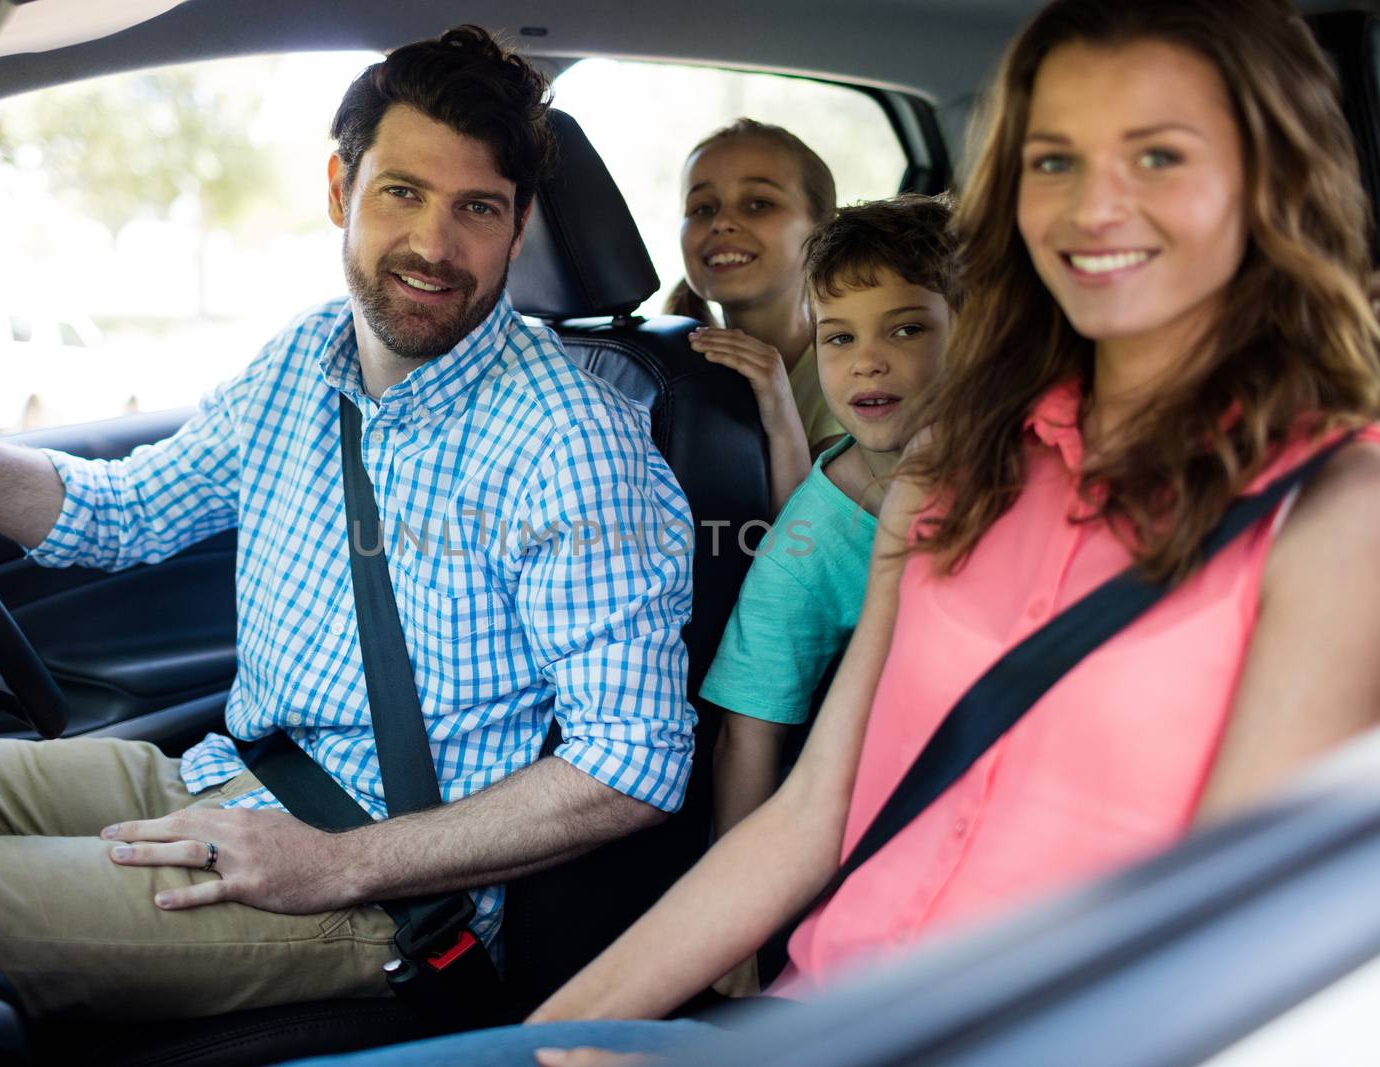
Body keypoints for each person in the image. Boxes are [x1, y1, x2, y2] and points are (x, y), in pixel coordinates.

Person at [290, 0, 1380, 1063]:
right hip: (811, 1010)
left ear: (1267, 183)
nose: (1094, 205)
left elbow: (1224, 962)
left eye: (1157, 157)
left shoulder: (1334, 518)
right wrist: (555, 1035)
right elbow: (812, 812)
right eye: (1054, 161)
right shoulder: (950, 477)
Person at [0, 27, 699, 1044]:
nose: (435, 246)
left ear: (518, 226)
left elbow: (632, 764)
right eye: (402, 192)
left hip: (375, 889)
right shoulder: (306, 357)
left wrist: (338, 863)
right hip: (218, 777)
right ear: (339, 189)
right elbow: (114, 514)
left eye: (475, 208)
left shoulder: (570, 442)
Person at [704, 193, 955, 844]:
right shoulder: (814, 538)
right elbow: (748, 733)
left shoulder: (1045, 451)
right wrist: (740, 939)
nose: (866, 359)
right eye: (839, 336)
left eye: (906, 328)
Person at [668, 120, 842, 514]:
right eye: (702, 208)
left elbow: (815, 549)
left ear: (821, 230)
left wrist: (780, 413)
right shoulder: (667, 371)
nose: (721, 222)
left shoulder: (850, 376)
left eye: (758, 203)